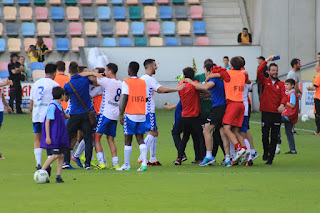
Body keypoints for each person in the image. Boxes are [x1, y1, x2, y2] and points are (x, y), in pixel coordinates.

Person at [140, 59, 185, 166]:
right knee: (152, 132)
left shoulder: (142, 79)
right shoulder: (149, 79)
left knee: (155, 132)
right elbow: (161, 90)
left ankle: (153, 158)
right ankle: (142, 157)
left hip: (143, 109)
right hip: (148, 110)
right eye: (155, 65)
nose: (157, 67)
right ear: (150, 67)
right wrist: (177, 89)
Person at [184, 64, 231, 167]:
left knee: (206, 130)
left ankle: (209, 155)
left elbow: (205, 86)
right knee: (222, 133)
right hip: (224, 107)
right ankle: (228, 158)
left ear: (209, 71)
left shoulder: (214, 80)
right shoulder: (222, 79)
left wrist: (190, 81)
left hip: (218, 108)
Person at [63, 62, 99, 170]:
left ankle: (66, 161)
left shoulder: (67, 85)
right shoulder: (84, 81)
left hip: (74, 115)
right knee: (88, 139)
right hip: (86, 114)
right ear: (78, 70)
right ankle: (87, 163)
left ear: (69, 71)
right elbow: (94, 81)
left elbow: (65, 99)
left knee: (68, 137)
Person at [89, 63, 122, 170]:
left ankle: (102, 162)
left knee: (97, 137)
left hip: (106, 113)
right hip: (115, 113)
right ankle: (116, 163)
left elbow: (93, 80)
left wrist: (94, 73)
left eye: (106, 70)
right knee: (110, 139)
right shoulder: (120, 83)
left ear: (110, 72)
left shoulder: (107, 81)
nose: (105, 72)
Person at [117, 61, 148, 171]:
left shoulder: (126, 82)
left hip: (130, 114)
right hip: (141, 113)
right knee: (140, 138)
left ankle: (127, 165)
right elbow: (146, 98)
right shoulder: (142, 82)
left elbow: (125, 97)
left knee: (127, 139)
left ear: (130, 69)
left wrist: (121, 113)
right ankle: (144, 163)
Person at [257, 55, 287, 165]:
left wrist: (282, 104)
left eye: (276, 70)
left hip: (276, 114)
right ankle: (266, 151)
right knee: (265, 135)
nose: (275, 72)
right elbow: (259, 71)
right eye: (273, 70)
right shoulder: (264, 81)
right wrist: (267, 60)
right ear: (268, 72)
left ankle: (270, 158)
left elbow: (284, 95)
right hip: (266, 113)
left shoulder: (281, 84)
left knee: (274, 137)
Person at [30, 64, 59, 170]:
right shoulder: (54, 84)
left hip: (36, 115)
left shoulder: (36, 83)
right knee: (49, 139)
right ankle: (49, 165)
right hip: (47, 116)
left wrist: (31, 113)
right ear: (54, 72)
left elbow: (31, 102)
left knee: (37, 139)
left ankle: (38, 163)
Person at [40, 86, 70, 183]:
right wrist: (48, 136)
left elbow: (63, 115)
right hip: (54, 135)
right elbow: (48, 122)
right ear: (62, 95)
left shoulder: (59, 105)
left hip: (60, 135)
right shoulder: (52, 106)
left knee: (61, 155)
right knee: (55, 155)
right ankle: (41, 171)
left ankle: (58, 176)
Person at [173, 67, 202, 165]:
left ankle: (179, 158)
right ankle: (200, 158)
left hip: (184, 115)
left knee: (185, 137)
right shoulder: (194, 85)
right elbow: (201, 88)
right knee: (198, 137)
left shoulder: (181, 85)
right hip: (194, 115)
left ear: (184, 76)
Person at [282, 79, 298, 154]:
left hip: (289, 115)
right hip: (290, 116)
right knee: (289, 133)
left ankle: (277, 140)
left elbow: (292, 105)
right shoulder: (290, 93)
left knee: (275, 121)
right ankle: (293, 149)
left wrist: (284, 102)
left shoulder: (292, 93)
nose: (286, 86)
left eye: (287, 84)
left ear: (292, 85)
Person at [287, 58, 302, 135]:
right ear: (295, 65)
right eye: (299, 64)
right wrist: (300, 92)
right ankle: (291, 129)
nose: (300, 65)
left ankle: (292, 129)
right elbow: (295, 86)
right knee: (293, 110)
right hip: (292, 94)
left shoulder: (292, 73)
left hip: (291, 94)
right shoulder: (292, 74)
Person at [0, 79, 13, 159]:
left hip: (0, 109)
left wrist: (6, 106)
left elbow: (1, 95)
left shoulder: (1, 80)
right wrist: (6, 83)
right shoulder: (2, 82)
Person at [307, 60, 320, 135]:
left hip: (318, 97)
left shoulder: (318, 76)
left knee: (317, 114)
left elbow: (315, 87)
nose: (315, 67)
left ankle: (318, 131)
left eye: (316, 65)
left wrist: (309, 88)